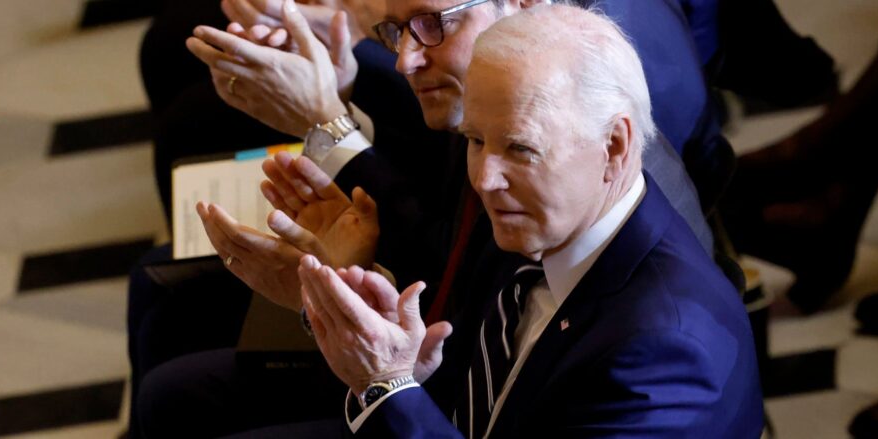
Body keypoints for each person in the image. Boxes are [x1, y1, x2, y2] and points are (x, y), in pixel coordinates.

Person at [299, 4, 764, 437]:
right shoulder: (544, 230)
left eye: (520, 149)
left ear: (616, 147)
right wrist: (381, 347)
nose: (484, 180)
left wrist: (386, 386)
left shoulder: (666, 352)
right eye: (475, 142)